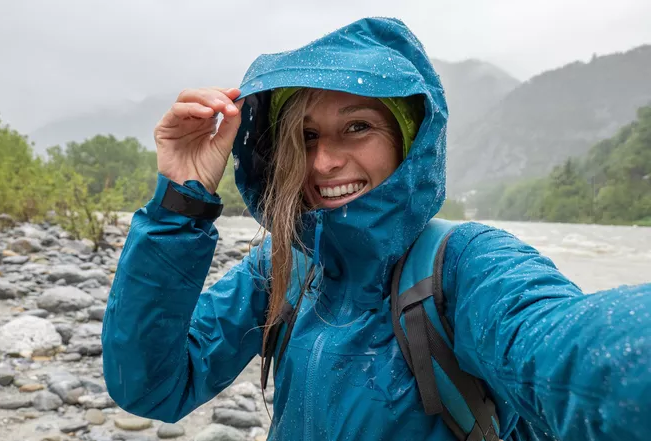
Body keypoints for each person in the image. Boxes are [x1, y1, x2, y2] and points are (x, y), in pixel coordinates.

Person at [101, 17, 651, 441]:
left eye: (357, 127)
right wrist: (180, 202)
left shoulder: (464, 265)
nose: (322, 163)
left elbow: (563, 345)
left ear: (408, 141)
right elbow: (154, 385)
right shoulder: (285, 266)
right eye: (307, 137)